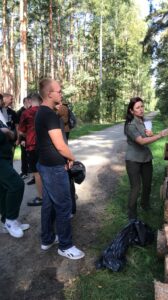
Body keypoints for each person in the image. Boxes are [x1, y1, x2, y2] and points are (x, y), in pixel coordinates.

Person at [35, 78, 85, 260]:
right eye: (59, 91)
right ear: (49, 94)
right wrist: (72, 158)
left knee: (48, 204)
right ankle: (65, 245)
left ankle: (47, 239)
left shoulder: (44, 113)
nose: (61, 94)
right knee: (63, 206)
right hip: (54, 168)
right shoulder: (48, 115)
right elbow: (61, 146)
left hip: (46, 166)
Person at [124, 97, 168, 220]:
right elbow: (142, 141)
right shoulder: (130, 125)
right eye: (137, 108)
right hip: (133, 160)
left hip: (146, 159)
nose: (141, 109)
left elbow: (148, 138)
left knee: (148, 185)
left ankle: (145, 205)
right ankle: (132, 214)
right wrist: (159, 135)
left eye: (142, 106)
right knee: (136, 188)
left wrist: (152, 134)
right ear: (131, 111)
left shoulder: (143, 122)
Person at [0, 126, 30, 238]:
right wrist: (4, 132)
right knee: (16, 184)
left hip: (5, 156)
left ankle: (6, 221)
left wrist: (10, 133)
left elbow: (12, 134)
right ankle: (10, 220)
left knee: (4, 189)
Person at [18, 93, 43, 206]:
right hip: (46, 146)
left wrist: (27, 134)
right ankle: (50, 194)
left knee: (37, 172)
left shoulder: (26, 113)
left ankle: (41, 197)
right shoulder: (46, 111)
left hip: (32, 145)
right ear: (40, 100)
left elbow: (21, 131)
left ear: (29, 101)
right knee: (47, 170)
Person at [17, 97, 32, 179]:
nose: (30, 102)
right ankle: (24, 171)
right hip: (24, 137)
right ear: (24, 102)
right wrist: (21, 139)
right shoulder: (20, 112)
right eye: (28, 101)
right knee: (24, 155)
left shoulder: (32, 110)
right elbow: (19, 127)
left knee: (31, 155)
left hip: (31, 137)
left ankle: (31, 170)